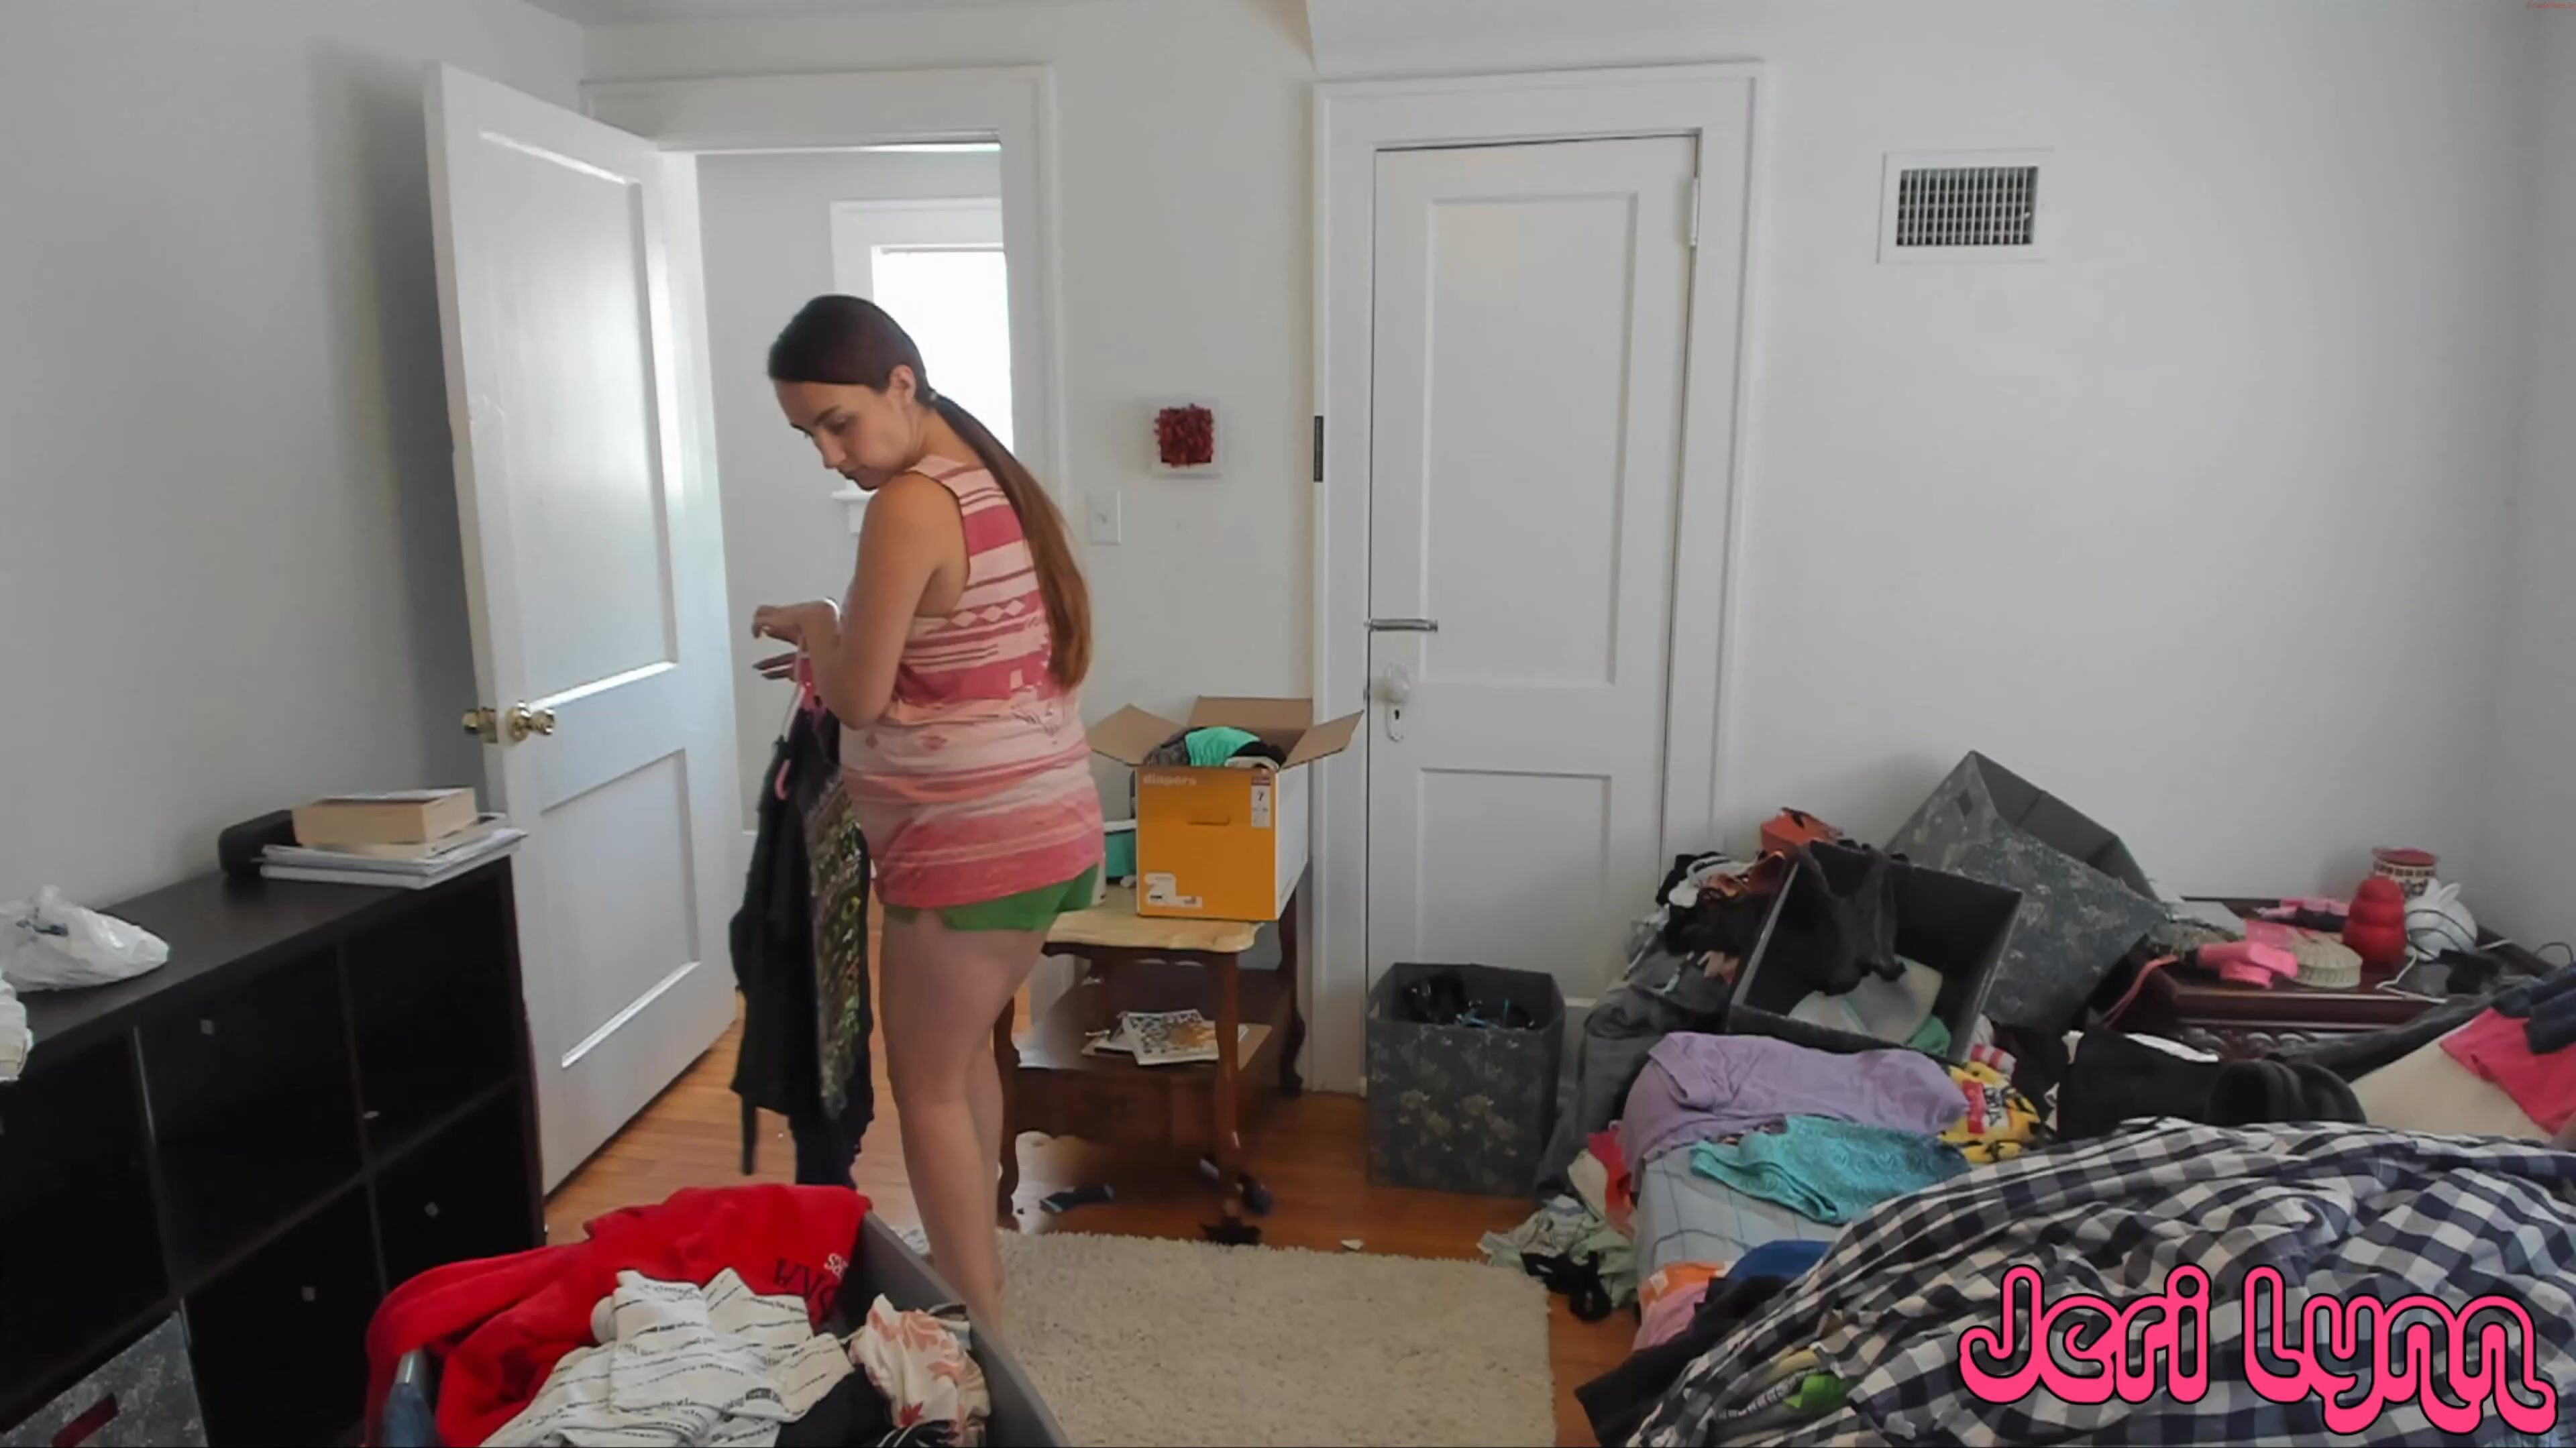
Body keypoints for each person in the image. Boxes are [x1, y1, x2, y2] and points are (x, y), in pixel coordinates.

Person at [750, 295, 1102, 1329]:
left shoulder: (910, 502)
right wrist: (833, 639)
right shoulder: (993, 476)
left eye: (838, 423)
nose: (830, 455)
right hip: (1045, 828)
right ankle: (980, 1267)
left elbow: (860, 695)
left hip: (970, 847)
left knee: (930, 1087)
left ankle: (979, 1332)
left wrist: (820, 622)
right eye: (809, 435)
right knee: (963, 1062)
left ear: (901, 385)